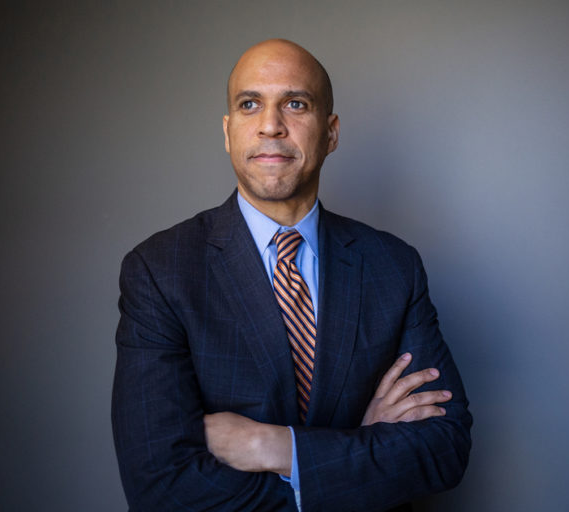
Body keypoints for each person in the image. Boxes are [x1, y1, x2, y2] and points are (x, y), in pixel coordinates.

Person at [112, 39, 471, 512]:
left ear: (331, 132)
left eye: (295, 104)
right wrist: (356, 448)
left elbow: (444, 448)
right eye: (250, 104)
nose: (270, 125)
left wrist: (277, 447)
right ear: (228, 132)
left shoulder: (392, 266)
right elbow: (159, 486)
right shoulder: (160, 270)